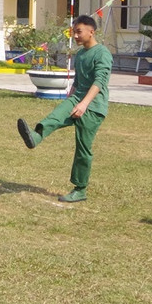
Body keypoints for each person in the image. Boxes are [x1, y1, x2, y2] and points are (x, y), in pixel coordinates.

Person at [16, 14, 112, 203]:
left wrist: (83, 104)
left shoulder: (102, 53)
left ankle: (80, 188)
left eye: (79, 32)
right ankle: (35, 137)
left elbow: (100, 81)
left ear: (91, 32)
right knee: (54, 116)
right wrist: (70, 99)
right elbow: (78, 80)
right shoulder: (82, 54)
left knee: (83, 148)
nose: (75, 36)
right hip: (76, 98)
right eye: (73, 32)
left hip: (93, 105)